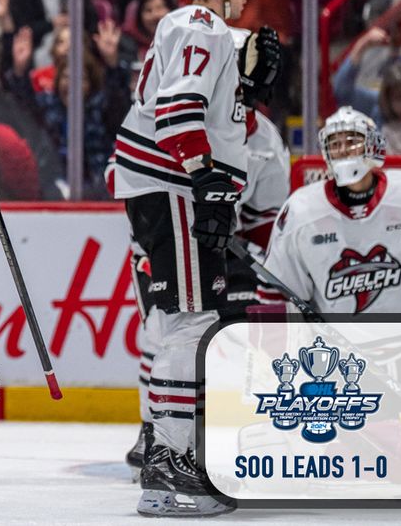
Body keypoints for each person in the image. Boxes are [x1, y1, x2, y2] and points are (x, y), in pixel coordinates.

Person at [111, 0, 279, 517]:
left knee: (185, 321)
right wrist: (205, 180)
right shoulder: (200, 25)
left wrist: (247, 90)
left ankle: (166, 462)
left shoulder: (201, 31)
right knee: (190, 323)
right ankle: (170, 463)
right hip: (175, 186)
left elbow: (203, 106)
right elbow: (179, 107)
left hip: (171, 186)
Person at [123, 26, 289, 483]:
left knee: (224, 338)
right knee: (165, 331)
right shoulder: (175, 123)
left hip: (226, 249)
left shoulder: (267, 142)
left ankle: (210, 434)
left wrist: (247, 258)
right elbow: (137, 189)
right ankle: (155, 436)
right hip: (160, 240)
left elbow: (263, 220)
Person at [258, 106, 401, 312]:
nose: (343, 150)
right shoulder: (302, 209)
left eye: (352, 141)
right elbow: (276, 292)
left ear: (373, 144)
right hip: (334, 343)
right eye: (335, 143)